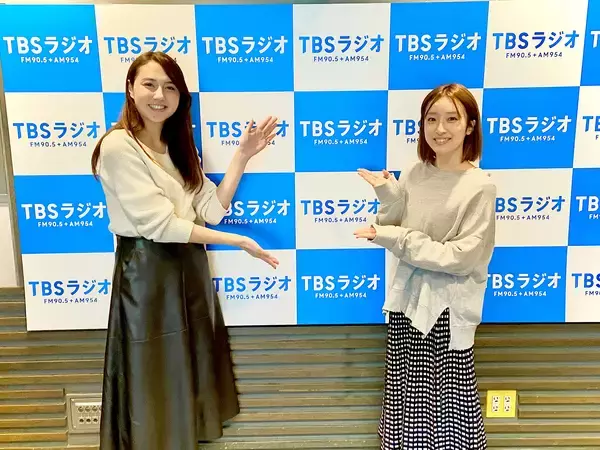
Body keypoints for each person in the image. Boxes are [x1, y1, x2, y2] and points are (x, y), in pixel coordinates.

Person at [90, 51, 280, 450]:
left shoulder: (177, 145)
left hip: (189, 268)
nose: (160, 95)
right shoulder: (118, 146)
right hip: (147, 272)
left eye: (170, 87)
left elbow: (210, 210)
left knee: (188, 374)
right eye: (150, 84)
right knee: (153, 381)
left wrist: (242, 155)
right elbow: (159, 226)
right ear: (130, 89)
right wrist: (240, 241)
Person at [354, 83, 496, 449]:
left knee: (450, 405)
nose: (439, 129)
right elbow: (395, 225)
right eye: (431, 119)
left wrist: (397, 238)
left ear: (470, 126)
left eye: (452, 119)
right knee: (405, 397)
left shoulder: (479, 186)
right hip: (407, 301)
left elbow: (461, 258)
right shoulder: (414, 173)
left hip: (446, 310)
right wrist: (388, 195)